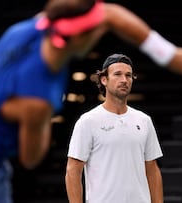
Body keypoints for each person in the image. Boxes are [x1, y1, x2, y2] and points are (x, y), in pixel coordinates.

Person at [0, 0, 182, 202]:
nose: (100, 31)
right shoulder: (39, 99)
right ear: (80, 38)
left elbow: (111, 15)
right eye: (95, 31)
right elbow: (31, 159)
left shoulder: (36, 25)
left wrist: (169, 55)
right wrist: (41, 122)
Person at [65, 53, 164, 203]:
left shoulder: (144, 120)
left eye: (128, 75)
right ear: (104, 79)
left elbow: (152, 169)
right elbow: (73, 171)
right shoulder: (88, 121)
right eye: (117, 74)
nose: (124, 80)